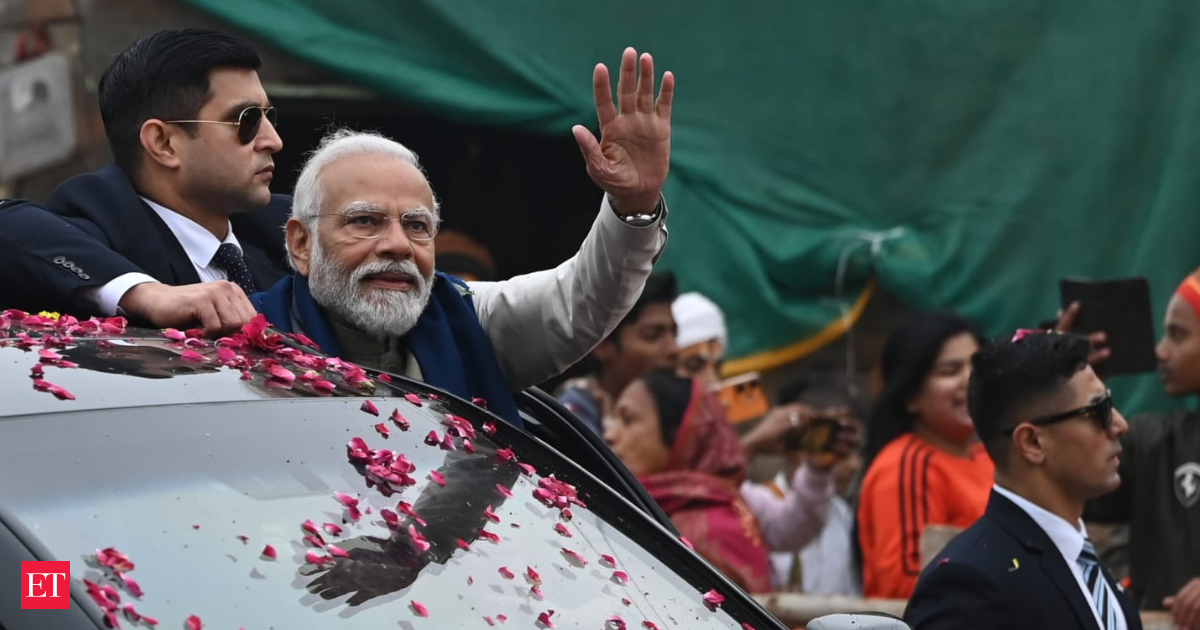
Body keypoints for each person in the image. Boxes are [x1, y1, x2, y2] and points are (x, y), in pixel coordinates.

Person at [252, 47, 674, 426]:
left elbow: (581, 300)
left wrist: (634, 203)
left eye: (417, 226)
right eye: (365, 221)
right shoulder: (245, 341)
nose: (398, 245)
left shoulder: (465, 319)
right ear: (301, 244)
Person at [0, 29, 286, 333]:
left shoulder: (283, 233)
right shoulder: (104, 232)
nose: (273, 140)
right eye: (247, 120)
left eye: (269, 116)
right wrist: (148, 294)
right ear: (163, 143)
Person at [904, 331, 1142, 630]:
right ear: (1032, 442)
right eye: (1098, 412)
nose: (1120, 424)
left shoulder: (1084, 565)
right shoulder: (970, 585)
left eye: (1111, 404)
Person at [1081, 267, 1200, 627]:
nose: (1160, 351)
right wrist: (1076, 388)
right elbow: (1063, 489)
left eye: (1178, 336)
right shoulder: (1155, 442)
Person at [856, 311, 994, 599]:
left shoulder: (988, 456)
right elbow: (906, 584)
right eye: (949, 371)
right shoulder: (906, 467)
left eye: (976, 365)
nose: (969, 380)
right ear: (911, 396)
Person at [603, 369, 772, 592]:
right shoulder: (695, 509)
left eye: (628, 419)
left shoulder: (699, 533)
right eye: (612, 419)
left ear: (678, 437)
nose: (609, 434)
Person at [557, 272, 680, 433]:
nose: (674, 349)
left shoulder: (673, 409)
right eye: (653, 335)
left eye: (674, 333)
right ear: (603, 345)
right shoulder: (574, 421)